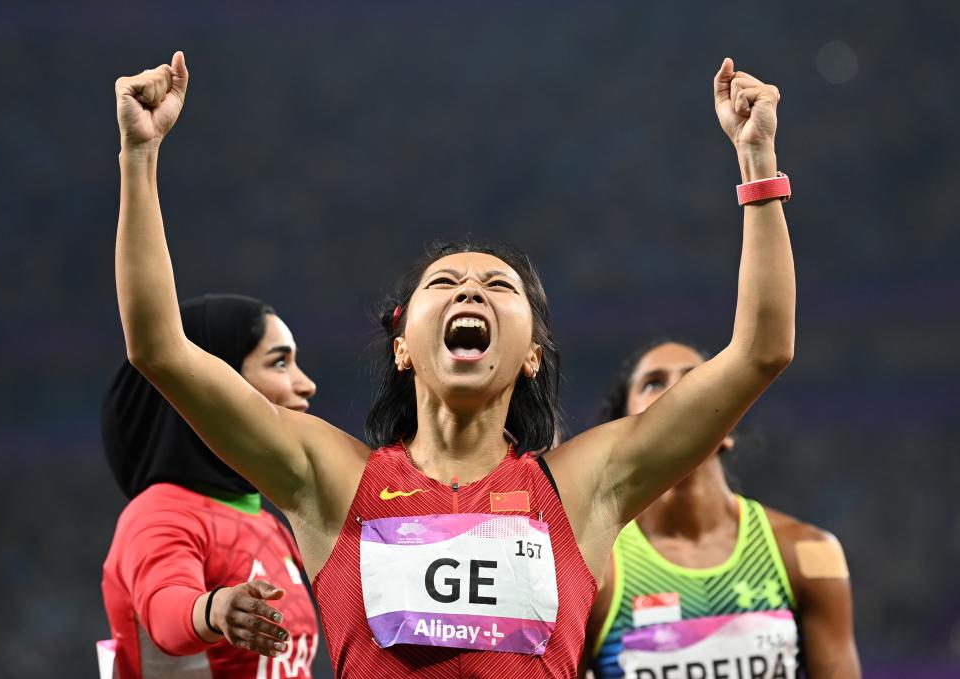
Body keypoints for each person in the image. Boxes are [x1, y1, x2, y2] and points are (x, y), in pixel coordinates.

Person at [112, 50, 795, 677]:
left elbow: (761, 351)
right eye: (443, 283)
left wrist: (757, 163)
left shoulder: (586, 488)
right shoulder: (331, 480)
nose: (470, 290)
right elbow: (159, 348)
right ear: (403, 346)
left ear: (532, 356)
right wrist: (138, 157)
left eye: (499, 285)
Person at [583, 340, 861, 678]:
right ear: (624, 431)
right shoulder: (595, 570)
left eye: (694, 377)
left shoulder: (809, 552)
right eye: (653, 383)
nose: (678, 392)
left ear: (728, 426)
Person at [101, 294, 321, 678]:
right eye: (279, 362)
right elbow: (165, 611)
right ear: (215, 382)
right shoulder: (160, 512)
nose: (307, 385)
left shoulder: (270, 523)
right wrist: (215, 608)